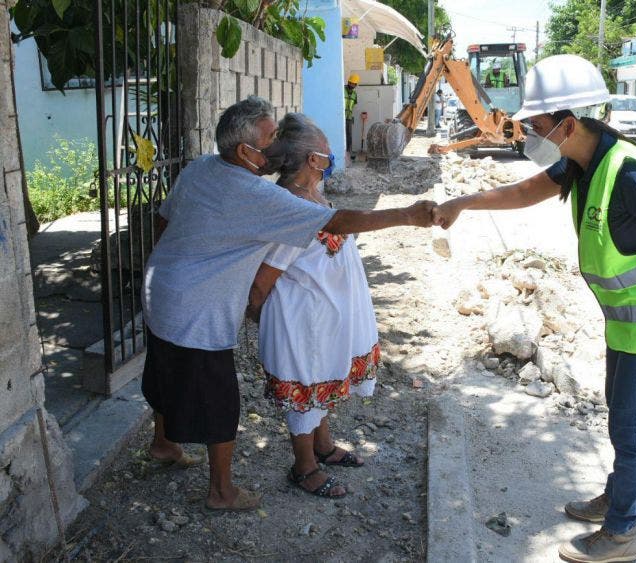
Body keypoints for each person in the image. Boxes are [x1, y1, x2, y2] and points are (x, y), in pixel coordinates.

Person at [432, 54, 636, 563]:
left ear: (567, 124)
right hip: (629, 323)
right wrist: (465, 201)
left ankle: (623, 534)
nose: (528, 132)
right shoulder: (582, 161)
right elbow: (525, 192)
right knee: (621, 417)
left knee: (629, 433)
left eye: (536, 124)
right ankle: (618, 497)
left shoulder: (628, 172)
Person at [141, 96, 435, 512]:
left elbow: (164, 220)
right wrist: (406, 214)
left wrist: (183, 259)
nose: (275, 144)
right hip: (197, 309)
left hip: (161, 288)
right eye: (269, 137)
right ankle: (222, 491)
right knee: (220, 403)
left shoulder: (199, 169)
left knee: (163, 371)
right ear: (245, 151)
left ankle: (162, 444)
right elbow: (333, 225)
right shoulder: (262, 197)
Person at [245, 114, 381, 498]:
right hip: (300, 322)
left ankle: (322, 446)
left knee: (322, 382)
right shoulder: (289, 209)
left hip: (324, 318)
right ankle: (303, 467)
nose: (332, 154)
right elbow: (262, 282)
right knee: (305, 388)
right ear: (312, 161)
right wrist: (262, 319)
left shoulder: (314, 197)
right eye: (326, 150)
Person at [344, 73, 360, 160]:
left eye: (354, 84)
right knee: (341, 134)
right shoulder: (342, 90)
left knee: (349, 135)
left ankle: (348, 152)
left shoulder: (354, 94)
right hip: (340, 117)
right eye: (351, 83)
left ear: (356, 85)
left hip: (348, 117)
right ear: (348, 82)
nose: (352, 85)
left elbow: (353, 105)